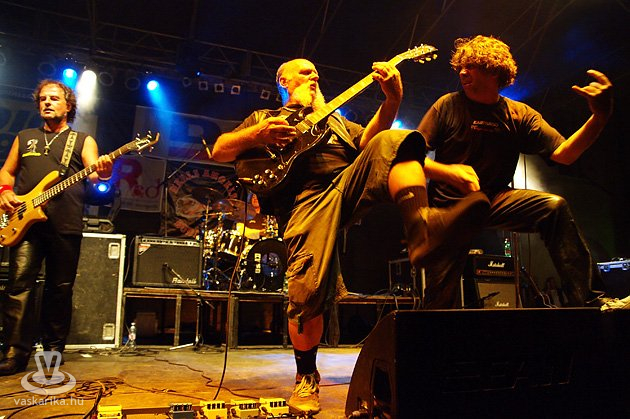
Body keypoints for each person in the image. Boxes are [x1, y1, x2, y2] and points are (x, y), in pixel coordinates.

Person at [212, 58, 488, 413]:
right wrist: (258, 135)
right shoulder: (265, 117)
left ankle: (422, 225)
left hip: (345, 186)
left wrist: (392, 100)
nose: (314, 76)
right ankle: (306, 376)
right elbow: (220, 150)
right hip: (306, 202)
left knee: (395, 139)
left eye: (316, 73)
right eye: (305, 72)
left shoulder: (337, 122)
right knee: (308, 288)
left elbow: (372, 146)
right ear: (283, 80)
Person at [416, 35, 625, 310]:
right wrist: (448, 172)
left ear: (493, 70)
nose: (462, 72)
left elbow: (565, 154)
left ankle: (590, 300)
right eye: (461, 67)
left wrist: (600, 117)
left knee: (553, 207)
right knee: (439, 301)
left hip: (495, 199)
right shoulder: (447, 105)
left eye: (471, 66)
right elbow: (410, 158)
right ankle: (431, 331)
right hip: (448, 208)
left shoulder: (519, 114)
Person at [0, 80, 113, 376]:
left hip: (65, 223)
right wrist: (5, 192)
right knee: (18, 287)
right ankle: (13, 353)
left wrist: (105, 171)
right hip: (25, 223)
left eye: (54, 98)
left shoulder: (82, 140)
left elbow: (94, 176)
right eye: (42, 99)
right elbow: (7, 172)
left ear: (68, 105)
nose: (47, 102)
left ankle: (52, 350)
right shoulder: (25, 137)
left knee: (60, 289)